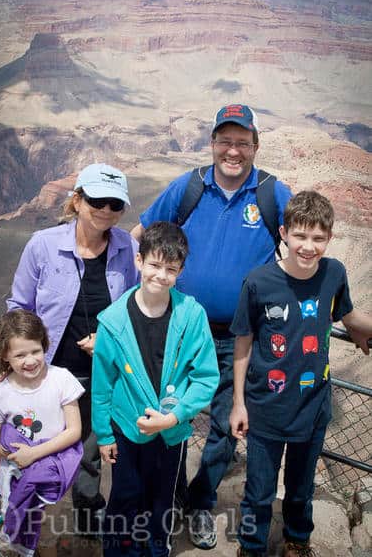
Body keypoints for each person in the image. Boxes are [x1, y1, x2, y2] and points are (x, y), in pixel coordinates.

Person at [131, 104, 292, 548]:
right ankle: (166, 496)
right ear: (213, 143)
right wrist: (135, 299)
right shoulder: (189, 187)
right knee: (167, 414)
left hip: (239, 337)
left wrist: (344, 312)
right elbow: (139, 236)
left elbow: (305, 249)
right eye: (225, 140)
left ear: (256, 146)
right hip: (178, 329)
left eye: (243, 142)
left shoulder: (272, 194)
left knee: (226, 424)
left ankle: (200, 503)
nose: (233, 150)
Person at [229, 191, 372, 557]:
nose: (308, 247)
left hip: (313, 404)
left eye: (318, 238)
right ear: (284, 233)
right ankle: (251, 546)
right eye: (300, 236)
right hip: (265, 407)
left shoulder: (334, 273)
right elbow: (243, 344)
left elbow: (349, 317)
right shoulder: (258, 282)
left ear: (329, 238)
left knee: (300, 486)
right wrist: (238, 403)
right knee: (259, 489)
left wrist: (365, 329)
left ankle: (297, 540)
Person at [6, 163, 139, 535]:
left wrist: (109, 340)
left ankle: (85, 512)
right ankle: (20, 516)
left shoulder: (130, 248)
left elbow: (141, 309)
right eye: (98, 200)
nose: (107, 211)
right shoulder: (43, 245)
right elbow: (19, 306)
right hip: (50, 371)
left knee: (90, 450)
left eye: (116, 204)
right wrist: (17, 359)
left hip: (104, 373)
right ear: (77, 200)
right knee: (35, 444)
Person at [91, 221, 220, 557]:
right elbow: (102, 384)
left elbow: (206, 377)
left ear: (180, 271)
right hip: (125, 429)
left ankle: (155, 548)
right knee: (125, 493)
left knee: (162, 497)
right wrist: (104, 435)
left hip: (170, 432)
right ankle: (119, 550)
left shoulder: (191, 316)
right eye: (154, 265)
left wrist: (173, 417)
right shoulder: (113, 322)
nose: (161, 276)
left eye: (171, 269)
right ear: (139, 261)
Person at [0, 309, 84, 557]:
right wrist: (16, 455)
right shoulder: (0, 393)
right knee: (14, 528)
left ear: (44, 346)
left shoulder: (62, 379)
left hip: (53, 480)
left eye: (35, 351)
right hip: (15, 478)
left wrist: (34, 454)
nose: (30, 361)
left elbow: (74, 431)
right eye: (20, 355)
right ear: (5, 355)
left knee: (48, 534)